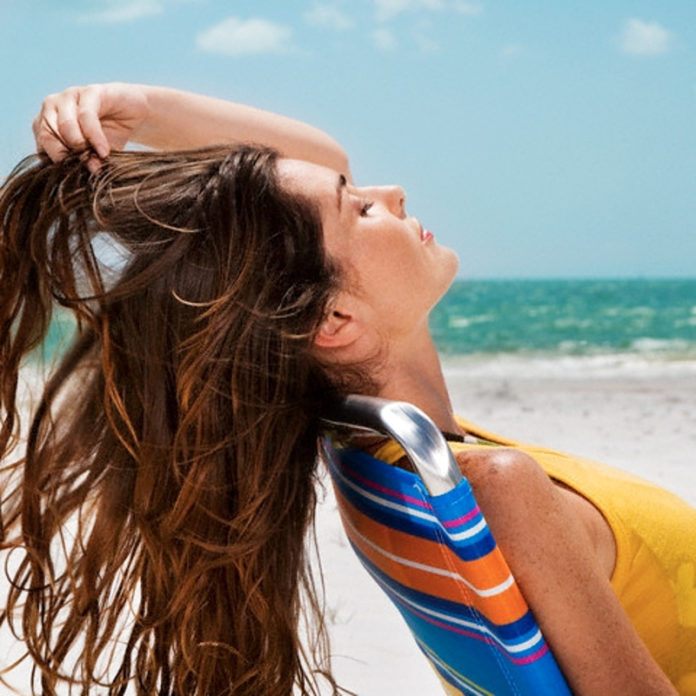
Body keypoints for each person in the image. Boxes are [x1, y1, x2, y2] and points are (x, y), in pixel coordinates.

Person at [0, 82, 693, 695]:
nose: (390, 193)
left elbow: (319, 172)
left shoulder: (377, 456)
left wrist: (146, 109)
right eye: (359, 210)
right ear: (333, 319)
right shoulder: (501, 491)